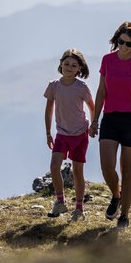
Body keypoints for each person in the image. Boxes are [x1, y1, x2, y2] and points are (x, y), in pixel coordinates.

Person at [89, 21, 131, 229]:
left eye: (128, 44)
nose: (124, 47)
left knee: (128, 171)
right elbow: (101, 91)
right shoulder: (107, 60)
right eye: (121, 42)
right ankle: (116, 195)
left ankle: (124, 215)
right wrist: (95, 119)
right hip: (110, 118)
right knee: (107, 165)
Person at [44, 49, 95, 222]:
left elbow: (92, 106)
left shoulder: (82, 87)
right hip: (61, 133)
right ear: (60, 64)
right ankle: (60, 202)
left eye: (74, 65)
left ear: (79, 68)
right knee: (54, 166)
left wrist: (94, 125)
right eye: (66, 64)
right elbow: (49, 109)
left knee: (77, 172)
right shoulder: (54, 86)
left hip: (80, 133)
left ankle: (79, 209)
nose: (69, 67)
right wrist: (48, 133)